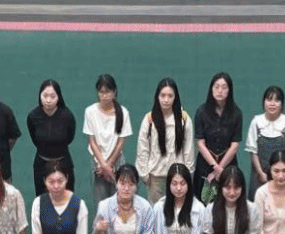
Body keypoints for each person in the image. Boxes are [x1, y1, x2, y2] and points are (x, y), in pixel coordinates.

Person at [135, 77, 195, 204]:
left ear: (175, 97)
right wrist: (145, 176)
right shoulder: (149, 119)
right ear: (157, 96)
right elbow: (143, 149)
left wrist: (187, 174)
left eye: (170, 96)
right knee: (156, 213)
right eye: (163, 95)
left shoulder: (184, 119)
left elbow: (188, 150)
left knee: (178, 211)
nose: (166, 100)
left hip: (178, 178)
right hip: (155, 177)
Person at [83, 73, 133, 213]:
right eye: (101, 92)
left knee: (120, 204)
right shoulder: (90, 111)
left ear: (114, 92)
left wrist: (109, 164)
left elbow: (121, 142)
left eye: (108, 92)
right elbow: (92, 141)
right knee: (101, 205)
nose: (104, 96)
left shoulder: (123, 112)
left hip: (117, 163)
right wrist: (103, 165)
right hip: (98, 164)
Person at [193, 72, 242, 199]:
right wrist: (215, 167)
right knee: (202, 200)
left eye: (224, 87)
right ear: (211, 89)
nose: (220, 91)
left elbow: (235, 145)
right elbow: (200, 143)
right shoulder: (201, 112)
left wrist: (220, 169)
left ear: (229, 90)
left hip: (228, 164)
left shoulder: (236, 113)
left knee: (228, 199)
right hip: (205, 164)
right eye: (216, 87)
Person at [26, 78, 77, 195]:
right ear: (40, 96)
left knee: (66, 200)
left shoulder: (67, 116)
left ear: (58, 97)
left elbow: (70, 138)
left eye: (52, 96)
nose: (48, 100)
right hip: (41, 165)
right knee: (43, 201)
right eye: (45, 96)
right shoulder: (33, 116)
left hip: (63, 163)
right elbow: (35, 139)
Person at [245, 85, 285, 199]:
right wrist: (260, 173)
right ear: (264, 102)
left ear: (282, 104)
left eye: (277, 100)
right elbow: (253, 151)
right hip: (259, 174)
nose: (272, 103)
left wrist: (278, 173)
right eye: (269, 99)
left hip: (280, 175)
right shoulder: (256, 122)